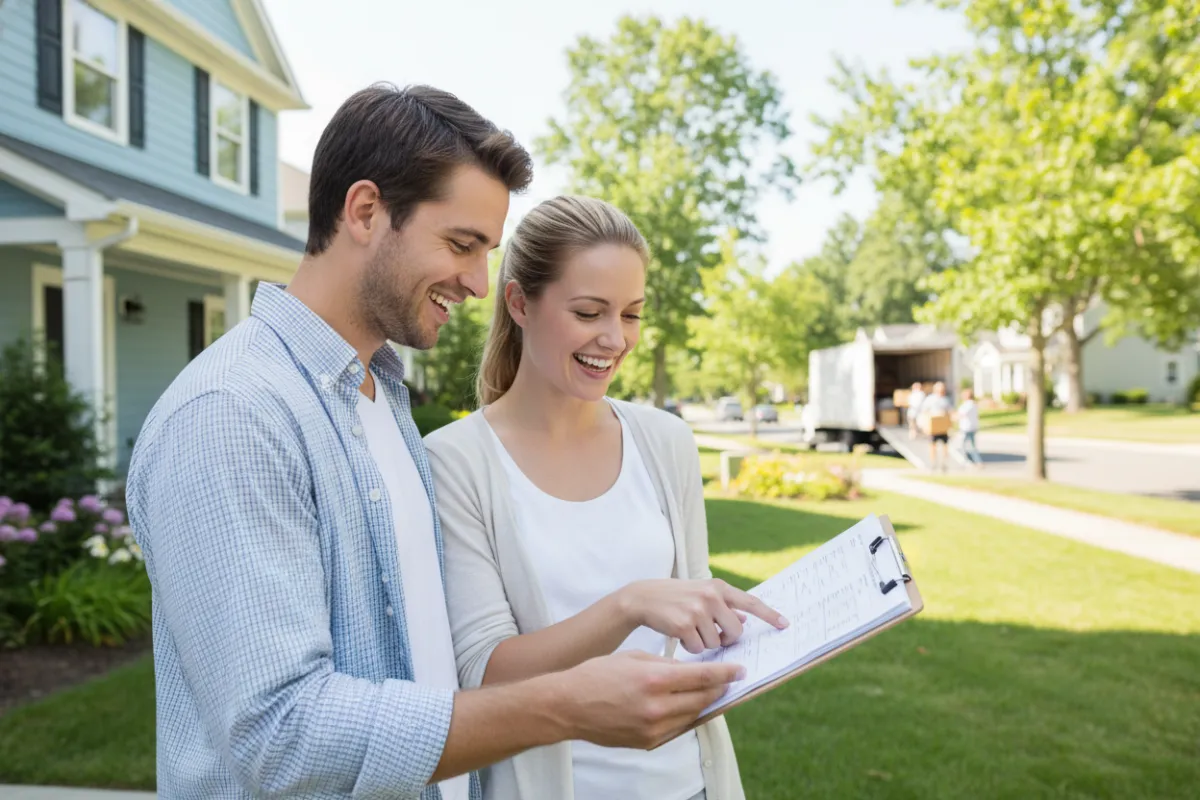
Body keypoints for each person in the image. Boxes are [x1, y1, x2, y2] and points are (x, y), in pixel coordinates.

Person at [125, 84, 746, 800]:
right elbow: (280, 734)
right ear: (365, 212)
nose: (480, 284)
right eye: (461, 244)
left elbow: (422, 656)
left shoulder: (379, 397)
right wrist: (563, 705)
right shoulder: (231, 415)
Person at [424, 196, 788, 800]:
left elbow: (697, 626)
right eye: (589, 311)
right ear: (518, 303)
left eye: (632, 314)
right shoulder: (456, 462)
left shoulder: (665, 442)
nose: (614, 339)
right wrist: (628, 606)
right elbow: (485, 672)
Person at [920, 381, 953, 471]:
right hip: (933, 427)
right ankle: (933, 463)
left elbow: (950, 412)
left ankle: (944, 463)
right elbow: (924, 412)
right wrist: (925, 425)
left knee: (945, 446)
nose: (942, 392)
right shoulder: (930, 399)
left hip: (943, 427)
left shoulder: (945, 400)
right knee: (932, 446)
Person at [956, 388, 983, 468]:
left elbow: (961, 414)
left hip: (967, 428)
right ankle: (975, 461)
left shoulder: (969, 404)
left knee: (965, 446)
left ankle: (970, 461)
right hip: (971, 427)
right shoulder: (972, 404)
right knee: (971, 446)